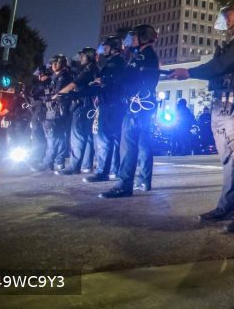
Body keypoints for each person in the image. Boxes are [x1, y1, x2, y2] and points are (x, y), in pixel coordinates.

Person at [171, 0, 234, 233]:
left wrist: (190, 72)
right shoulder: (233, 42)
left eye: (231, 12)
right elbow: (220, 65)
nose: (226, 18)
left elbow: (221, 65)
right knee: (229, 160)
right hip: (223, 108)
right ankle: (227, 207)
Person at [101, 25, 159, 198]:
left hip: (137, 105)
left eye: (134, 38)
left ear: (143, 37)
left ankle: (124, 184)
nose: (131, 41)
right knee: (143, 143)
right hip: (144, 105)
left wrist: (109, 78)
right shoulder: (148, 56)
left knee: (128, 144)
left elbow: (129, 77)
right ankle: (144, 180)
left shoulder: (141, 56)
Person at [85, 37, 126, 182]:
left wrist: (101, 81)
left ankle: (103, 172)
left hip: (110, 105)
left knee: (104, 138)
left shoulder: (115, 62)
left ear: (114, 47)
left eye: (107, 47)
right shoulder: (117, 61)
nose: (104, 49)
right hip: (113, 104)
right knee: (114, 139)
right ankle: (114, 170)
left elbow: (114, 81)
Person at [56, 47, 100, 175]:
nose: (81, 57)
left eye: (83, 55)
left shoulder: (88, 69)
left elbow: (74, 84)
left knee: (78, 137)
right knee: (87, 137)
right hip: (90, 106)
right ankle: (86, 165)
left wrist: (58, 94)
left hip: (82, 105)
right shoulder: (94, 68)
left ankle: (74, 166)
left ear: (89, 56)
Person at [32, 55, 73, 173]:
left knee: (53, 137)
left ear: (63, 64)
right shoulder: (55, 77)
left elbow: (57, 94)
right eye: (53, 63)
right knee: (58, 137)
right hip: (54, 110)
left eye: (57, 62)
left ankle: (48, 162)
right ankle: (57, 162)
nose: (54, 65)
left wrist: (47, 99)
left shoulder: (63, 77)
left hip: (57, 110)